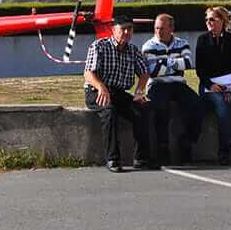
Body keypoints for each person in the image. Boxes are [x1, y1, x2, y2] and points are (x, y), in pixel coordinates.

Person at [83, 17, 155, 172]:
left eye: (130, 28)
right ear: (113, 30)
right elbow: (88, 73)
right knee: (109, 112)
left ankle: (141, 158)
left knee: (142, 109)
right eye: (123, 28)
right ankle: (112, 159)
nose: (127, 32)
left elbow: (144, 73)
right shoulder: (99, 46)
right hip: (96, 90)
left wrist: (139, 92)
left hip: (119, 92)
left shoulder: (133, 50)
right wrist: (101, 87)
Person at [142, 13, 203, 165]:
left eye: (162, 28)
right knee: (161, 108)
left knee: (197, 104)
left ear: (172, 28)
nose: (158, 31)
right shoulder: (148, 46)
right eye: (156, 28)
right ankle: (163, 149)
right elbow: (153, 71)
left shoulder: (182, 43)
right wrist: (175, 63)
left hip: (178, 83)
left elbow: (188, 64)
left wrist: (164, 62)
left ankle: (187, 142)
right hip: (157, 84)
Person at [194, 5, 231, 165]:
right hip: (208, 85)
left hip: (227, 85)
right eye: (207, 20)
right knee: (220, 103)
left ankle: (226, 146)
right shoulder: (202, 40)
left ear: (222, 20)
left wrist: (226, 88)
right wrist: (211, 85)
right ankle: (227, 146)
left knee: (225, 101)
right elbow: (199, 69)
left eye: (212, 19)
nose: (209, 22)